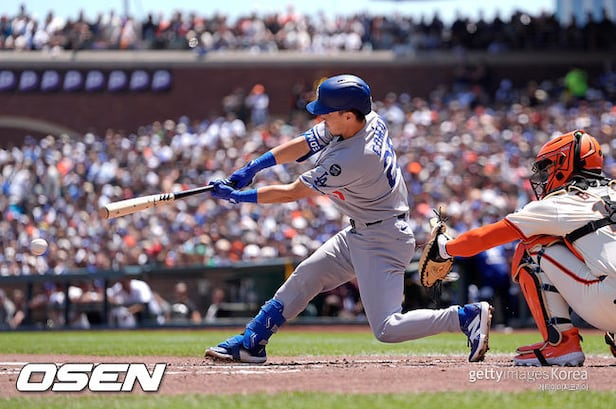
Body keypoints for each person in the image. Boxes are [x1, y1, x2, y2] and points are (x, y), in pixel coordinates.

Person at [204, 74, 493, 364]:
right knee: (306, 276)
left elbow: (292, 193)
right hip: (365, 230)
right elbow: (305, 144)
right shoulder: (366, 120)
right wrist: (253, 167)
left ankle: (464, 317)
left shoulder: (354, 157)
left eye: (327, 112)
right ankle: (252, 342)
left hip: (382, 239)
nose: (321, 117)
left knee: (387, 328)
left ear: (348, 114)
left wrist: (237, 197)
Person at [432, 130, 616, 366]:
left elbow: (485, 238)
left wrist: (445, 248)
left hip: (607, 301)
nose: (545, 175)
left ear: (564, 163)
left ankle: (561, 343)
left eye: (549, 167)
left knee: (532, 246)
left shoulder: (562, 201)